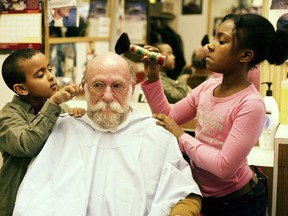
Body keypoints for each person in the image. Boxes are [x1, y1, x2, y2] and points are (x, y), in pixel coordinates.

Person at [12, 52, 202, 216]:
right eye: (98, 85)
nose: (108, 96)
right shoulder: (62, 130)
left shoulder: (156, 135)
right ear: (84, 88)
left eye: (117, 86)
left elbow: (182, 193)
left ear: (132, 89)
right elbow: (32, 199)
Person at [141, 13, 288, 216]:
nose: (210, 45)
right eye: (213, 38)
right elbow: (166, 117)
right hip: (202, 196)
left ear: (245, 56)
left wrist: (182, 137)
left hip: (239, 203)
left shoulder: (251, 105)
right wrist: (154, 76)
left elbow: (223, 166)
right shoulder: (208, 87)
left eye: (221, 41)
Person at [0, 48, 85, 216]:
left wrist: (73, 113)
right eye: (40, 75)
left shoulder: (59, 108)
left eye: (49, 69)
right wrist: (53, 103)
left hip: (47, 197)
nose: (51, 76)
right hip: (16, 201)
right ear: (21, 89)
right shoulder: (7, 117)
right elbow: (27, 145)